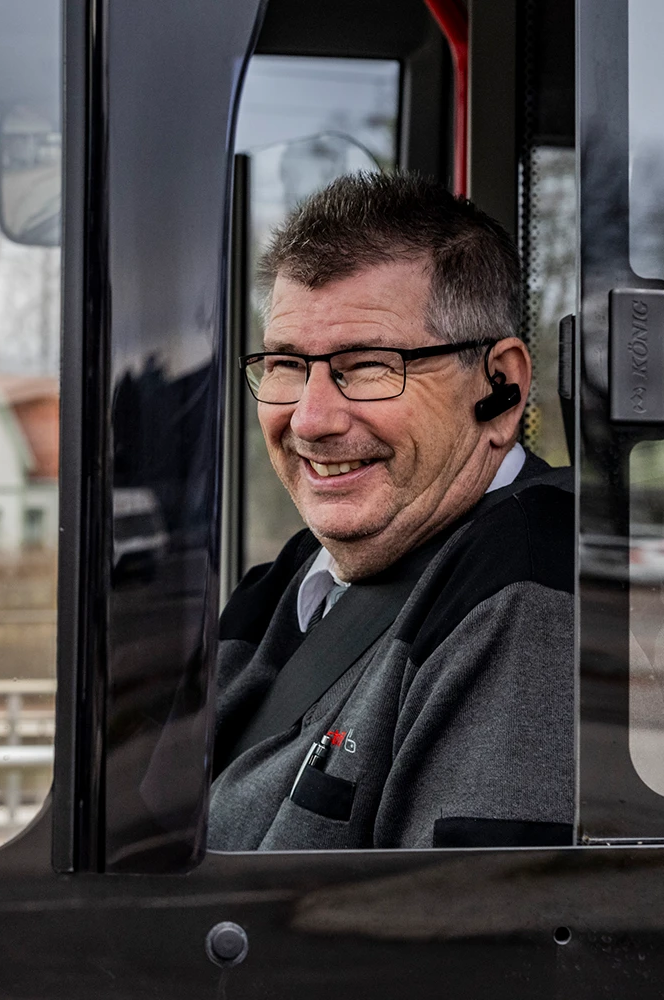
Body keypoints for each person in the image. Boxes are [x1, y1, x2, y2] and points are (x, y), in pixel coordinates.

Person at [208, 172, 573, 850]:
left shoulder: (531, 595)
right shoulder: (293, 579)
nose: (310, 419)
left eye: (370, 365)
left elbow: (461, 939)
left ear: (502, 387)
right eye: (287, 364)